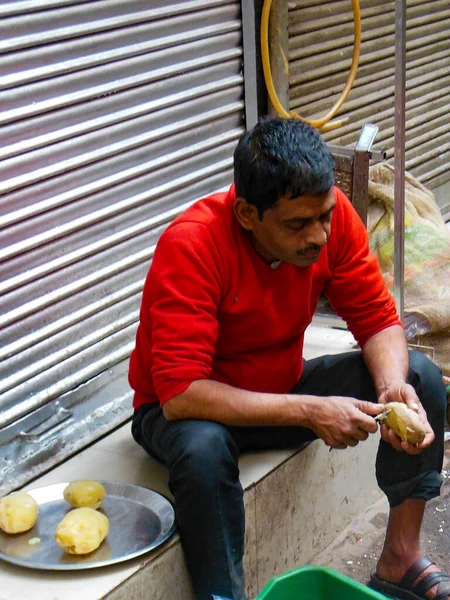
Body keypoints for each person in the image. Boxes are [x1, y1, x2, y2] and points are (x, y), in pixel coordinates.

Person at [129, 117, 449, 600]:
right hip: (184, 411)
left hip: (280, 386)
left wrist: (390, 388)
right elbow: (180, 395)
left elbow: (378, 320)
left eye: (323, 217)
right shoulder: (192, 245)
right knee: (202, 451)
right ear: (245, 214)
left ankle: (400, 558)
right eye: (297, 224)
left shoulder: (333, 216)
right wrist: (310, 410)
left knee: (419, 377)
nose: (319, 235)